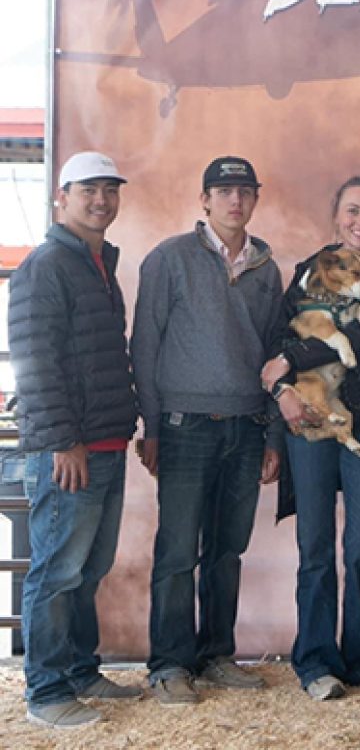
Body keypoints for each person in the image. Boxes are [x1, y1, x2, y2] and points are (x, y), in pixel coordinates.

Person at [130, 156, 284, 706]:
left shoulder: (267, 269)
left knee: (227, 550)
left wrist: (271, 437)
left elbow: (274, 356)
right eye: (223, 191)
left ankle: (216, 655)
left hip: (246, 425)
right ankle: (169, 665)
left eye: (244, 191)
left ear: (255, 199)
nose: (234, 201)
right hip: (183, 425)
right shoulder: (168, 259)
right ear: (205, 200)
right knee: (177, 551)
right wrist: (151, 425)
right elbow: (144, 346)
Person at [259, 176, 360, 701]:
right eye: (352, 211)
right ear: (336, 215)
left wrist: (291, 360)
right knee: (316, 546)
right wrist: (282, 384)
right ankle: (315, 661)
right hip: (310, 419)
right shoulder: (310, 267)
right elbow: (283, 331)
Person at [10, 152, 142, 728]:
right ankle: (44, 692)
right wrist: (63, 441)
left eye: (110, 190)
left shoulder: (97, 263)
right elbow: (35, 362)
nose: (101, 200)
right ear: (60, 198)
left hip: (106, 443)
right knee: (56, 572)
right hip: (71, 450)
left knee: (87, 571)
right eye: (89, 189)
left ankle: (79, 672)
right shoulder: (46, 265)